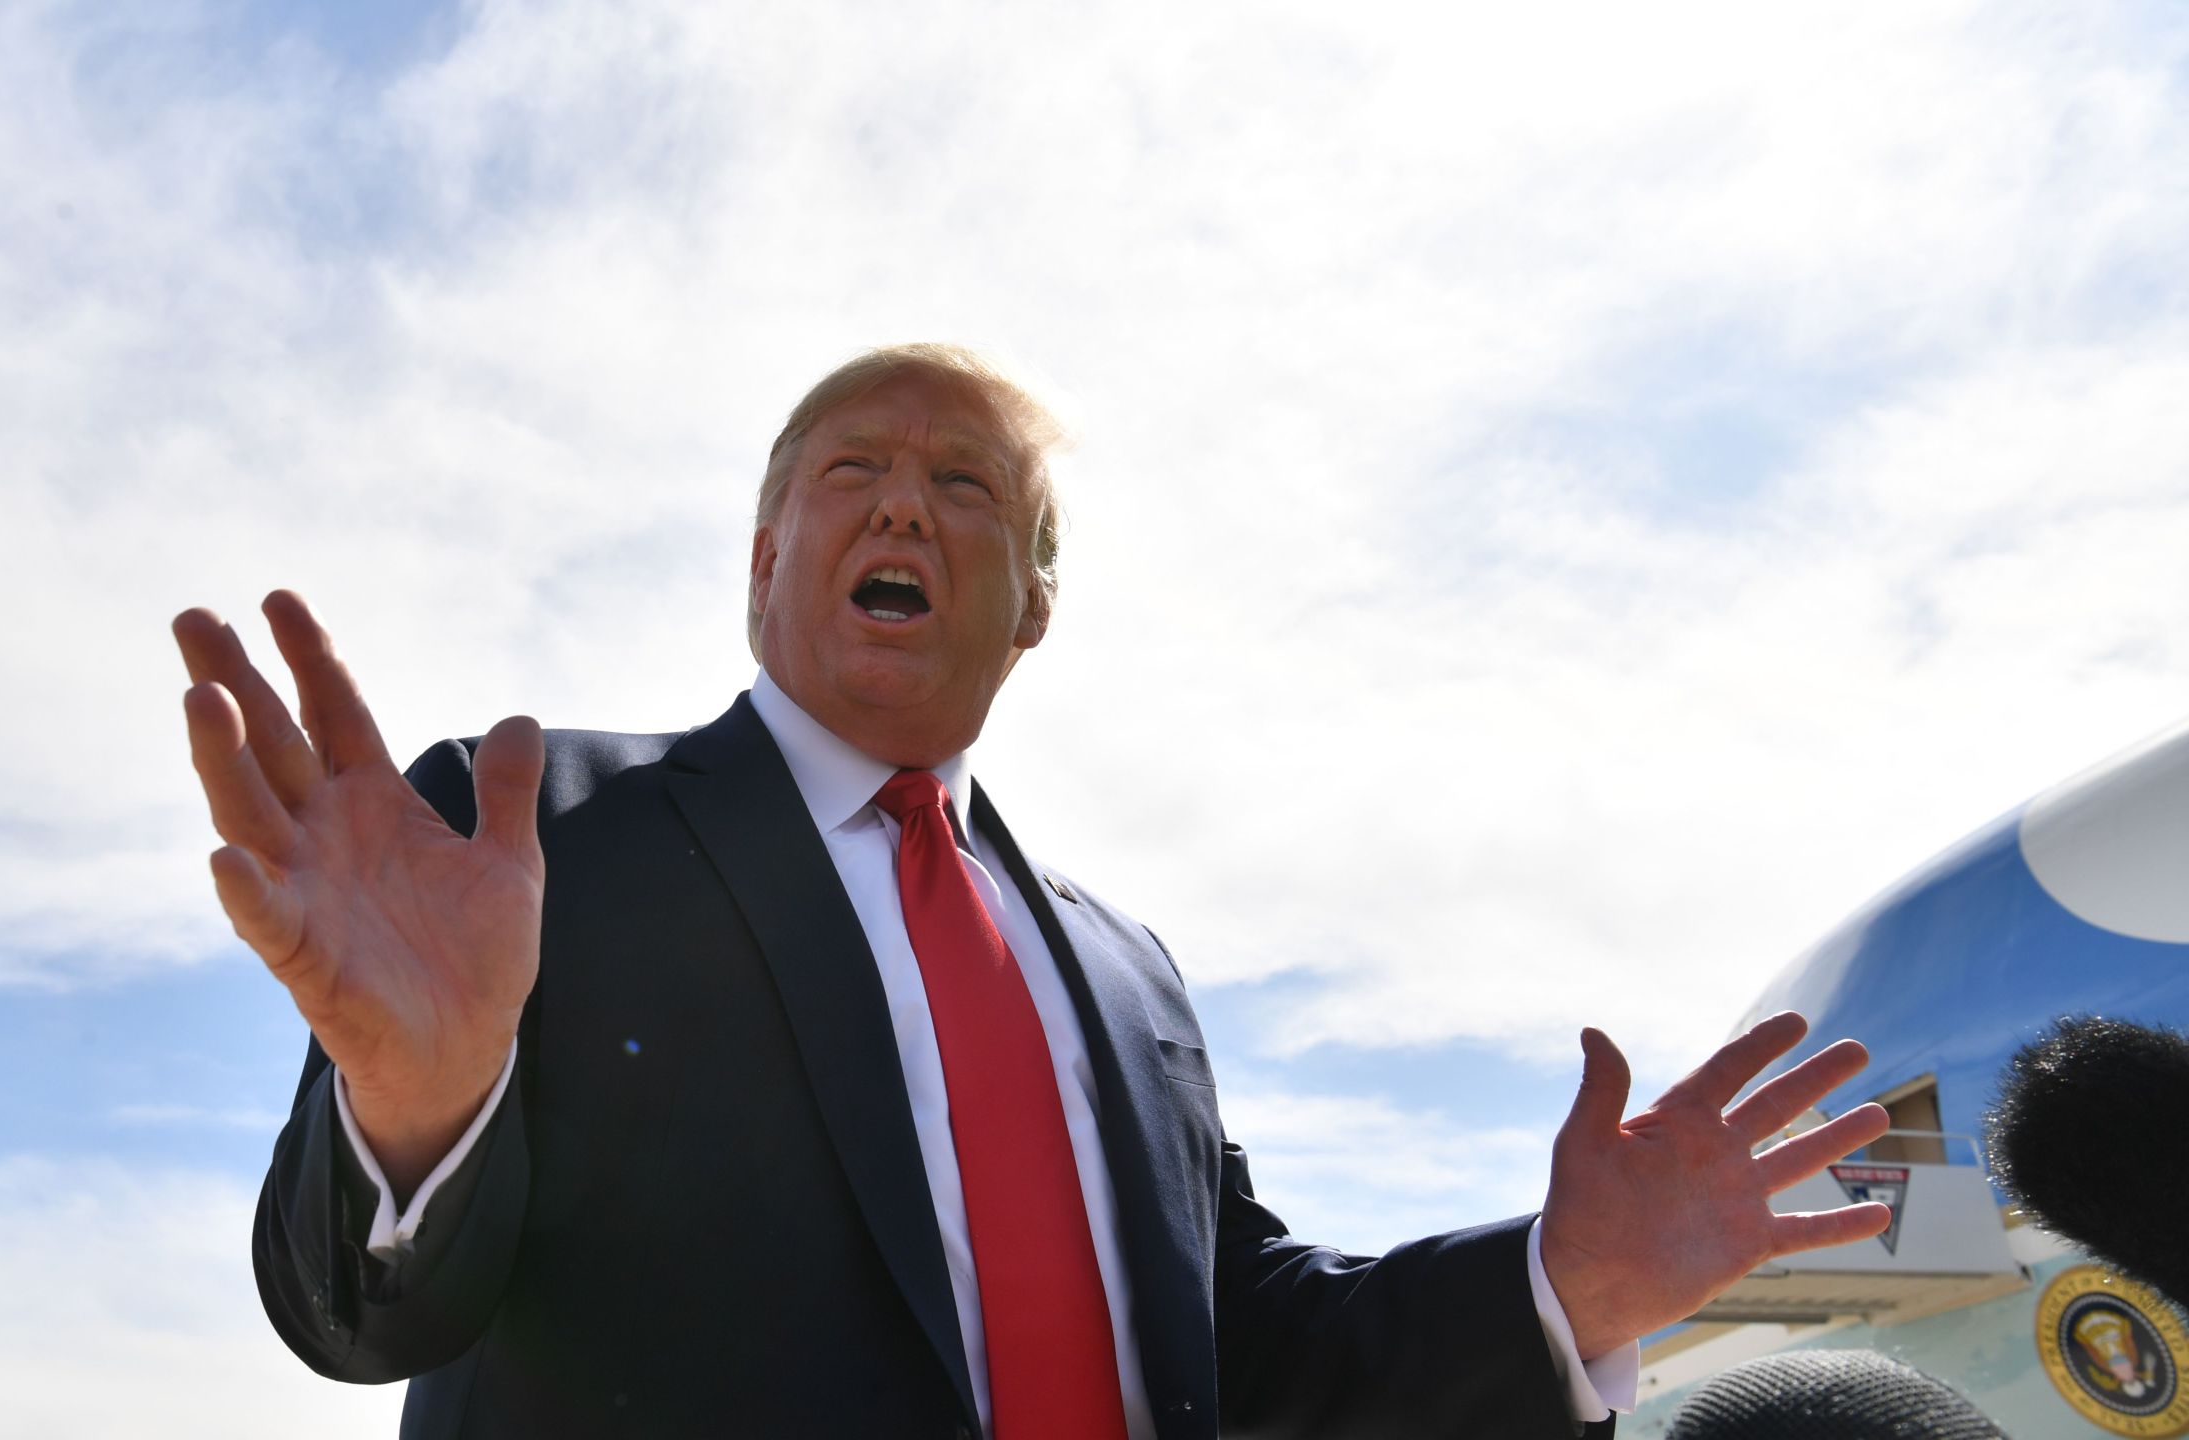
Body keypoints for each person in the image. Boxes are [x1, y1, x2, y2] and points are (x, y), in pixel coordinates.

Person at [172, 344, 1894, 1439]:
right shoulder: (535, 844)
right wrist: (414, 1106)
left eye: (964, 484)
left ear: (1032, 604)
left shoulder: (1126, 977)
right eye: (848, 471)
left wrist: (1556, 1289)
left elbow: (1247, 1355)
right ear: (766, 560)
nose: (901, 500)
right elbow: (358, 1320)